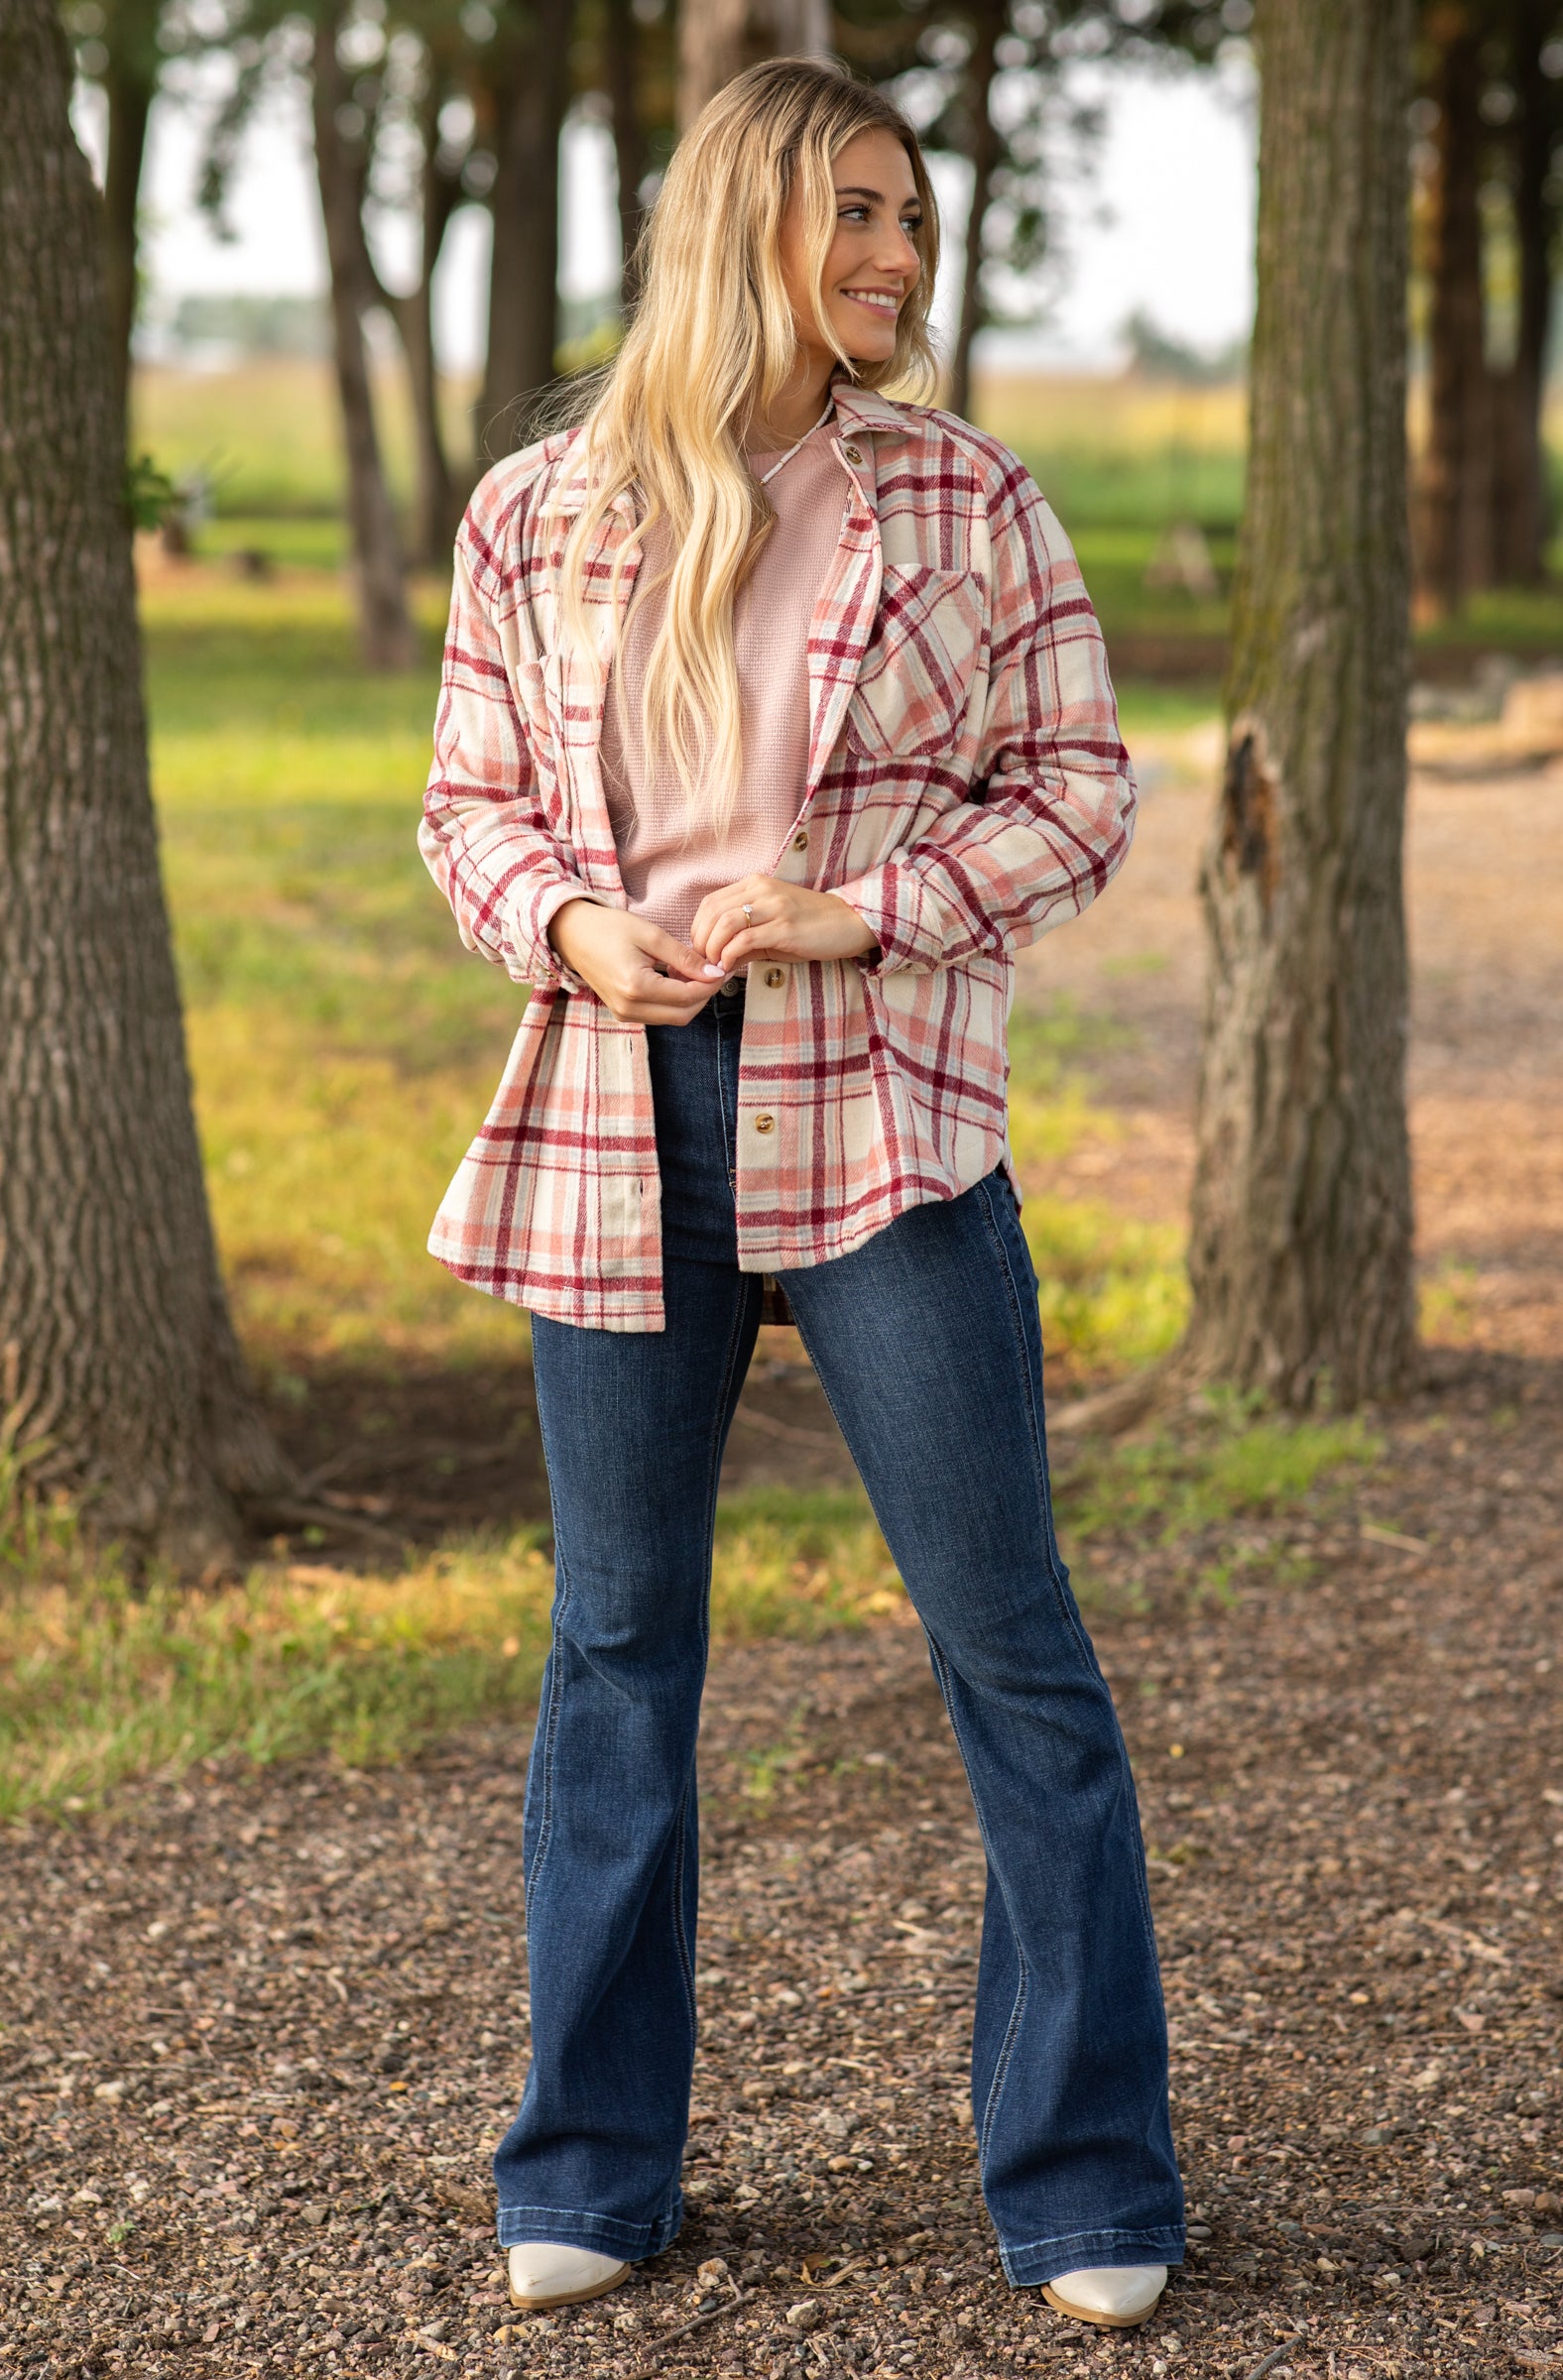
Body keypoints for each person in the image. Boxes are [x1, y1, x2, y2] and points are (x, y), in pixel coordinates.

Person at [420, 55, 1182, 2336]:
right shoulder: (536, 510)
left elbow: (1079, 794)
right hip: (616, 1105)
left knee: (1009, 1651)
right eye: (855, 212)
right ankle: (587, 2167)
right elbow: (468, 806)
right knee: (614, 1651)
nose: (892, 260)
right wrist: (571, 927)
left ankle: (1082, 2185)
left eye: (913, 227)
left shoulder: (969, 501)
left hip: (884, 1115)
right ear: (741, 216)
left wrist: (869, 905)